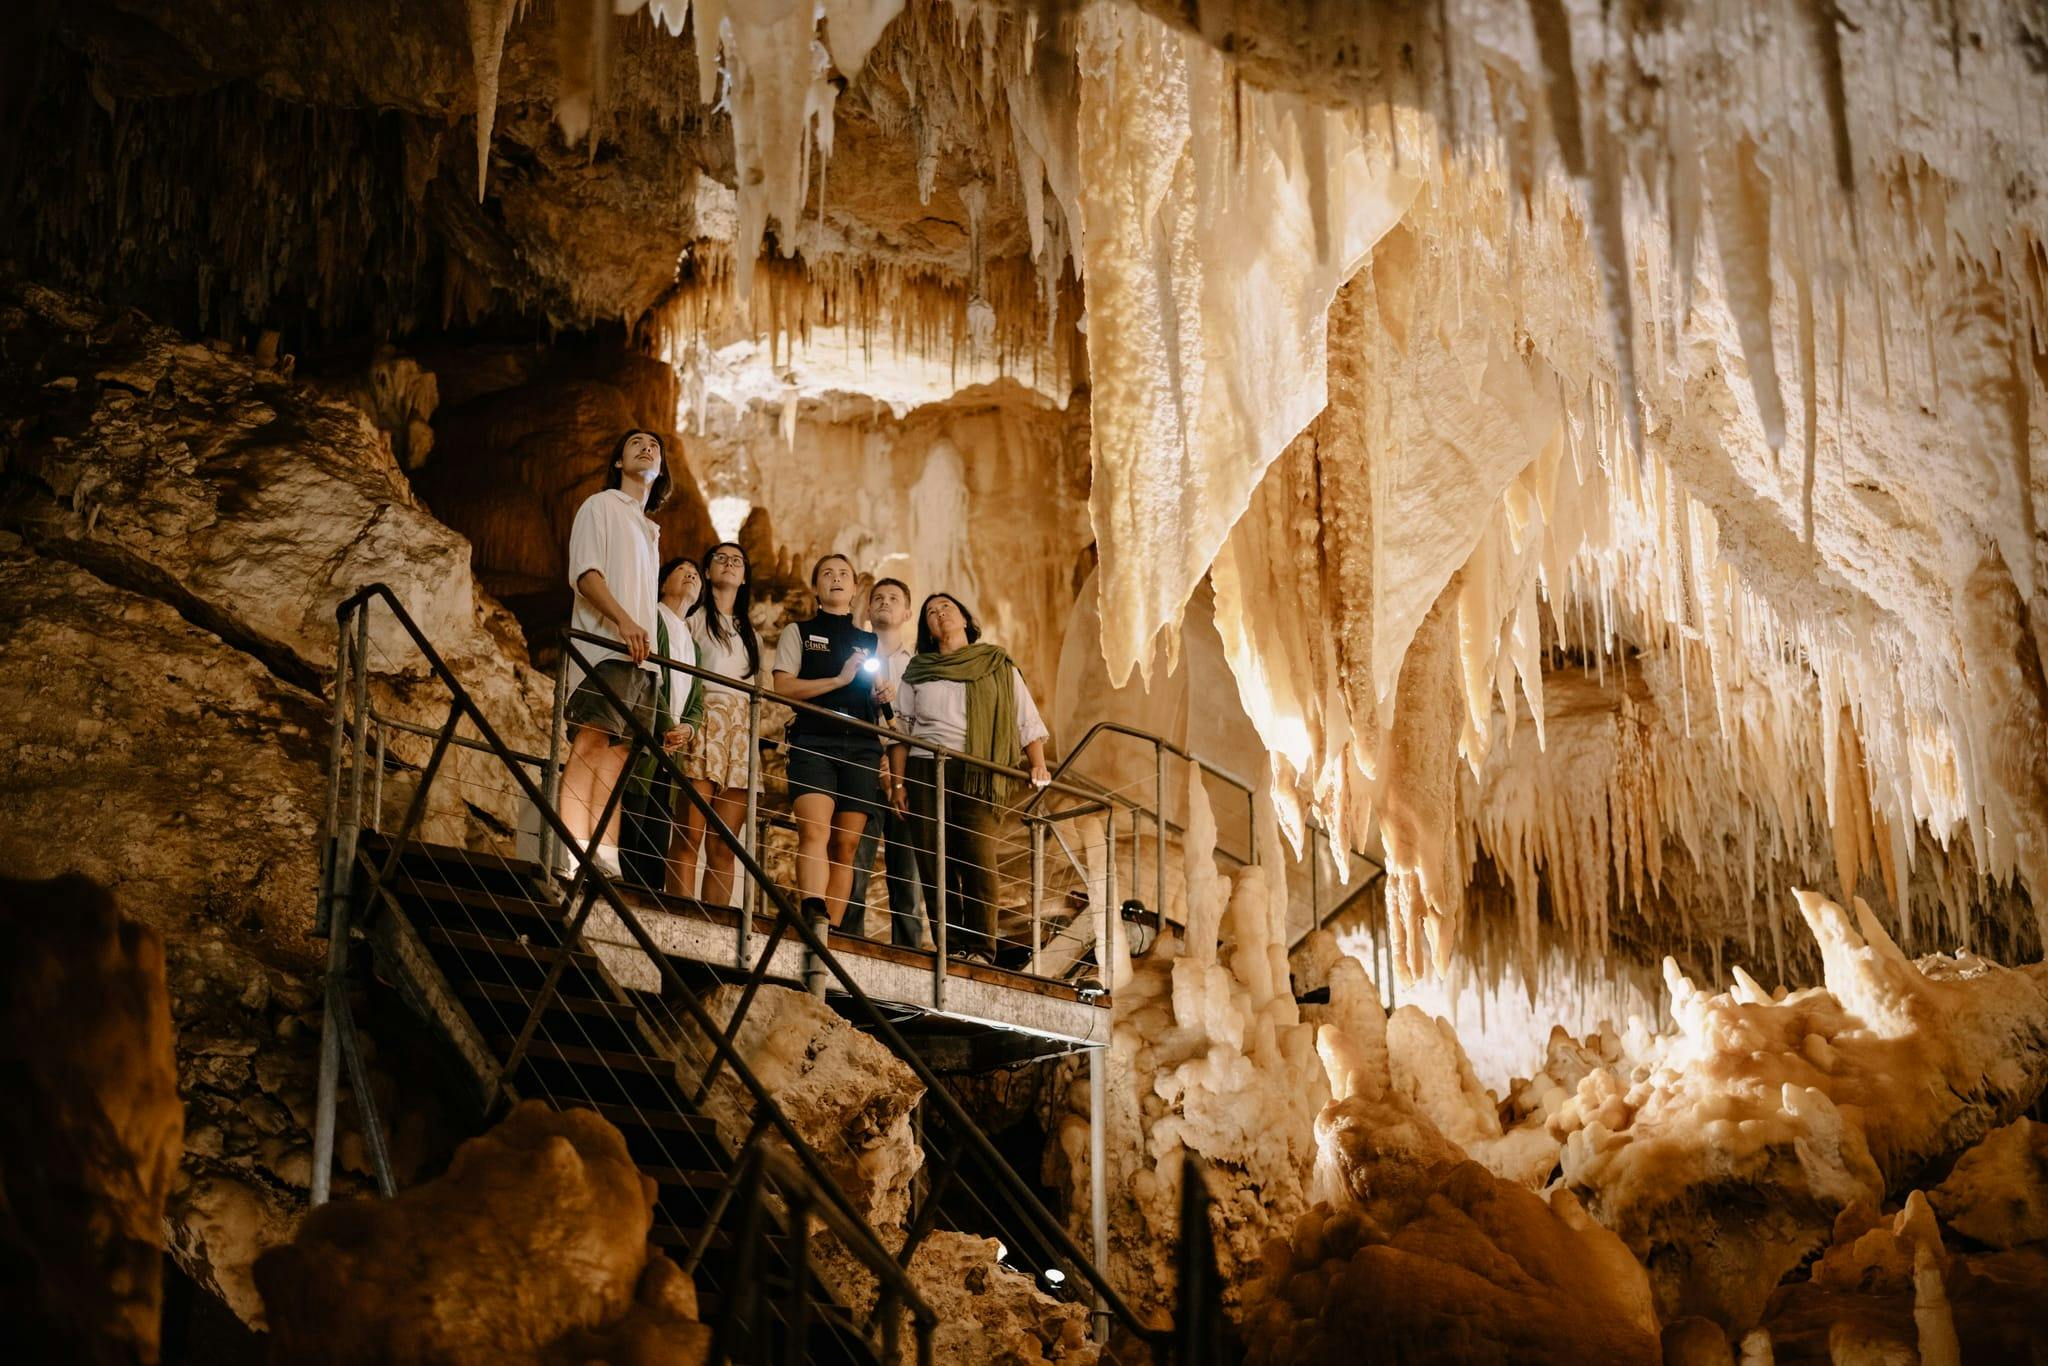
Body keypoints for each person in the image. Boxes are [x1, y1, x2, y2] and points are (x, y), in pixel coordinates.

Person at [890, 592, 1051, 965]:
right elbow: (902, 732)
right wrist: (898, 784)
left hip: (977, 770)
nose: (940, 614)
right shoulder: (917, 670)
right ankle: (950, 945)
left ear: (965, 618)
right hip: (924, 768)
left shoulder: (996, 664)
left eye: (947, 607)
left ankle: (980, 947)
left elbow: (1025, 718)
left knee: (977, 858)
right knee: (934, 860)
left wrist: (1038, 765)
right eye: (931, 612)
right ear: (927, 629)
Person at [561, 429, 671, 874]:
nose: (647, 448)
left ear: (660, 470)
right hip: (604, 650)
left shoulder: (649, 530)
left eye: (655, 446)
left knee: (618, 761)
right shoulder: (601, 506)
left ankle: (604, 861)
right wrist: (623, 621)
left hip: (641, 662)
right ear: (618, 463)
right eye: (636, 443)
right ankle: (570, 855)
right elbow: (586, 574)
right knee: (590, 745)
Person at [772, 553, 884, 938]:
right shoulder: (798, 632)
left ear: (854, 588)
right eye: (827, 573)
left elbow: (875, 699)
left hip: (862, 745)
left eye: (843, 574)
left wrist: (881, 694)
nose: (836, 579)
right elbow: (783, 687)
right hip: (815, 738)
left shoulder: (869, 641)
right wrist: (838, 680)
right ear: (816, 587)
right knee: (815, 830)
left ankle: (831, 932)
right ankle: (813, 912)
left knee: (847, 844)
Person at [844, 577, 930, 947]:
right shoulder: (853, 658)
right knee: (855, 862)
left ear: (907, 612)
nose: (884, 602)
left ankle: (909, 951)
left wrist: (898, 774)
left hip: (905, 776)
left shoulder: (919, 665)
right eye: (878, 597)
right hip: (862, 766)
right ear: (868, 608)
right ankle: (848, 942)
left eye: (894, 598)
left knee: (907, 873)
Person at [676, 541, 763, 905]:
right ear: (707, 572)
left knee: (724, 845)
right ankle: (677, 916)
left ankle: (716, 922)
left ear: (744, 578)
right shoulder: (692, 620)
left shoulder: (751, 634)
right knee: (689, 835)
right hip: (704, 723)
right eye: (721, 559)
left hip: (739, 734)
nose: (729, 564)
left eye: (737, 561)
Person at [620, 556, 706, 891]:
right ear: (663, 582)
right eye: (682, 571)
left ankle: (648, 897)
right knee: (631, 818)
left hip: (671, 749)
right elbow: (646, 673)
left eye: (696, 574)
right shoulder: (652, 617)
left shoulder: (693, 645)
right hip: (645, 738)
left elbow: (696, 700)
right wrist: (668, 723)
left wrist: (689, 727)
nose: (691, 576)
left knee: (657, 833)